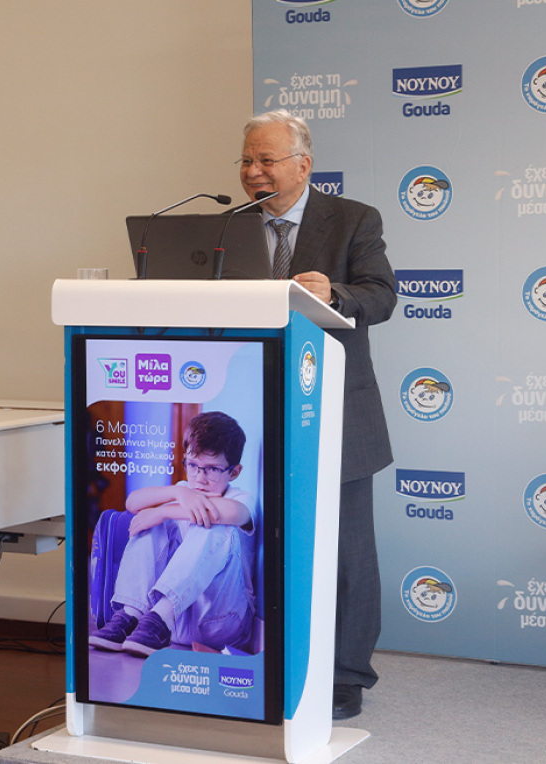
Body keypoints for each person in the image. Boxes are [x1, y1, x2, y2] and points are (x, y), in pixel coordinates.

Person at [238, 109, 396, 720]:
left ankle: (346, 676)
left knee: (347, 552)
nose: (254, 172)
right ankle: (269, 660)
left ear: (303, 165)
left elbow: (382, 295)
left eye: (266, 160)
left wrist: (336, 293)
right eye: (246, 160)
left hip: (335, 409)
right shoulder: (229, 227)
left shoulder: (354, 219)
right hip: (252, 404)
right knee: (264, 541)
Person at [90, 411, 257, 657]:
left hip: (223, 621)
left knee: (211, 519)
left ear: (234, 472)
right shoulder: (185, 490)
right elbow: (132, 502)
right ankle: (131, 614)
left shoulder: (239, 497)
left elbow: (233, 513)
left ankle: (162, 613)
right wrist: (177, 494)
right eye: (193, 465)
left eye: (212, 469)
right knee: (150, 520)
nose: (200, 478)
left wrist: (163, 511)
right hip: (174, 626)